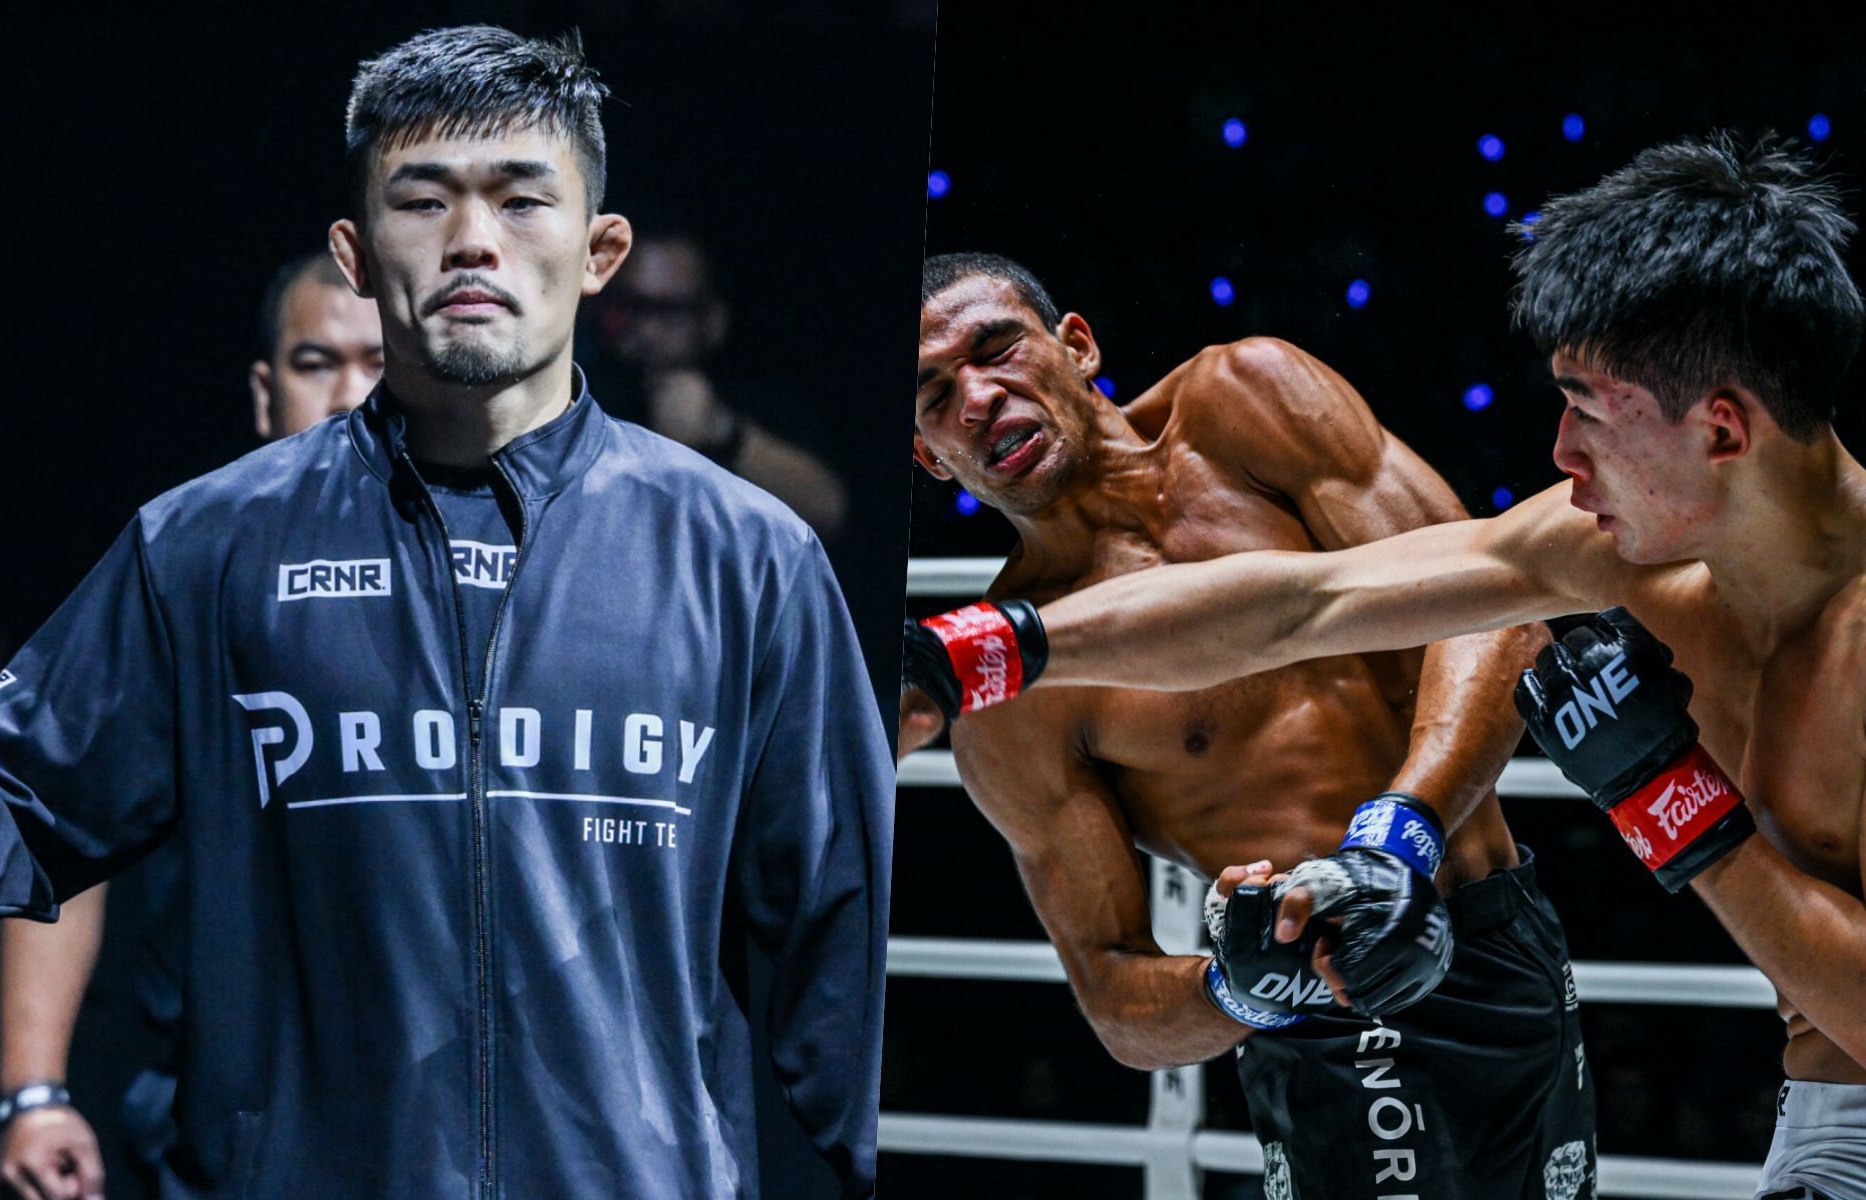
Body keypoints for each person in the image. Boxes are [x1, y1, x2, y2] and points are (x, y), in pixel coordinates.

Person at [0, 26, 890, 1200]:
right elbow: (9, 813)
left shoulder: (748, 559)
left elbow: (838, 962)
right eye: (424, 199)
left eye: (520, 199)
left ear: (602, 251)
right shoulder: (204, 547)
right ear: (353, 251)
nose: (473, 241)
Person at [908, 135, 1866, 1198]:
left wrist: (1671, 805)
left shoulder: (1247, 400)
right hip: (1805, 1116)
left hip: (1518, 948)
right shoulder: (1614, 545)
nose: (1557, 453)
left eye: (1587, 410)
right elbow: (1308, 604)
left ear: (1721, 431)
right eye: (936, 393)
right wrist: (982, 653)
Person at [903, 251, 1595, 1198]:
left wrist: (1395, 845)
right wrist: (1240, 986)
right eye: (936, 396)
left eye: (996, 349)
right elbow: (1115, 995)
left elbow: (1496, 609)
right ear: (928, 456)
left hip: (1489, 930)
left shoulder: (1246, 398)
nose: (977, 398)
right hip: (1321, 1019)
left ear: (1077, 344)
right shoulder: (1012, 695)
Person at [0, 252, 382, 1200]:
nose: (346, 394)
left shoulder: (502, 577)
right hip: (219, 1128)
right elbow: (61, 813)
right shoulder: (187, 568)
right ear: (264, 388)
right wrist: (30, 1089)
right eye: (314, 361)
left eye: (375, 362)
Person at [592, 232, 849, 538]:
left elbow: (828, 510)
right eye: (633, 306)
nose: (648, 330)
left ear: (713, 320)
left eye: (671, 311)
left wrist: (720, 429)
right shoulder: (582, 396)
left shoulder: (760, 404)